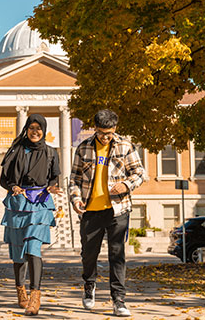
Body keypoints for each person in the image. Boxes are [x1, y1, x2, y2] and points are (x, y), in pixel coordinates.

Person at [69, 109, 145, 317]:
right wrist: (76, 199)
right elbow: (74, 179)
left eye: (109, 133)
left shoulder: (125, 146)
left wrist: (126, 185)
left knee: (117, 255)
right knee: (89, 255)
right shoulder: (83, 148)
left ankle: (119, 300)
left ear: (115, 129)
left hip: (118, 209)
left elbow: (140, 173)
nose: (105, 137)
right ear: (95, 129)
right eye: (102, 133)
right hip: (91, 210)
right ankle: (89, 285)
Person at [0, 114, 63, 316]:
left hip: (40, 203)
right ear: (26, 129)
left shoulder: (51, 152)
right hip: (18, 203)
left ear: (44, 130)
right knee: (18, 252)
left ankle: (36, 296)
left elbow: (54, 178)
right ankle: (21, 290)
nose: (35, 132)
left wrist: (53, 188)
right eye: (32, 127)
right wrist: (14, 186)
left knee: (33, 248)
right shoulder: (16, 150)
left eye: (39, 128)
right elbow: (3, 180)